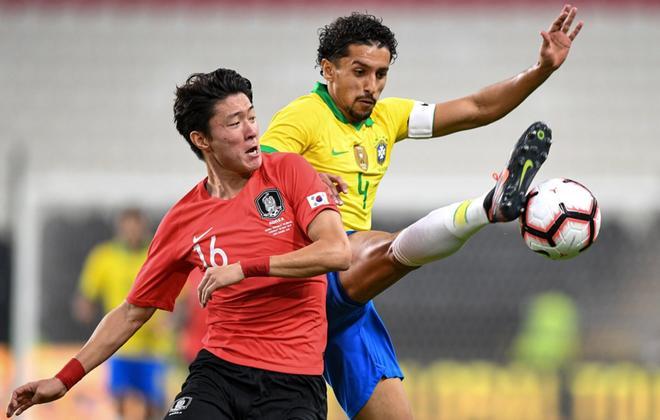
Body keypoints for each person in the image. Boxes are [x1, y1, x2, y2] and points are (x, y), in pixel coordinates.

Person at [260, 6, 582, 418]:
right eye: (360, 71)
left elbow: (477, 108)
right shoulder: (303, 116)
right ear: (328, 69)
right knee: (386, 249)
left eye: (380, 74)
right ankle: (485, 208)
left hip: (351, 297)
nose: (371, 86)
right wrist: (306, 179)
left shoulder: (387, 117)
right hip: (305, 280)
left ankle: (485, 207)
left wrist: (540, 70)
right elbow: (255, 177)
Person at [6, 68, 351, 420]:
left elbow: (337, 251)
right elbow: (132, 311)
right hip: (219, 373)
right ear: (202, 139)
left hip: (292, 381)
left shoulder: (290, 171)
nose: (251, 131)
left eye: (251, 116)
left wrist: (245, 269)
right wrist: (64, 380)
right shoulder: (183, 220)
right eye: (234, 123)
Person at [72, 208, 172, 420]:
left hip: (153, 347)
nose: (132, 233)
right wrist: (85, 307)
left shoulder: (156, 256)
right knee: (119, 402)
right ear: (120, 229)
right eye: (128, 228)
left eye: (136, 228)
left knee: (153, 405)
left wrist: (173, 321)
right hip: (118, 345)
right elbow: (86, 295)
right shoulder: (104, 257)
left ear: (144, 228)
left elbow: (179, 296)